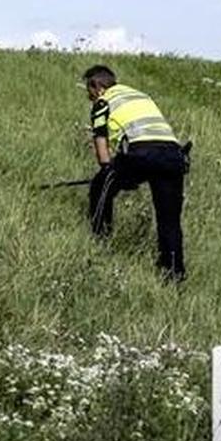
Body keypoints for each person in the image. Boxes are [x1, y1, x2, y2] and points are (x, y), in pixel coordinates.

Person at [85, 66, 188, 282]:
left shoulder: (102, 103)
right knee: (169, 220)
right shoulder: (140, 95)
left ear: (98, 87)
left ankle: (99, 242)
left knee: (99, 187)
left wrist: (109, 172)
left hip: (142, 153)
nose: (89, 97)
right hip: (173, 155)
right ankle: (174, 274)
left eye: (89, 91)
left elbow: (102, 146)